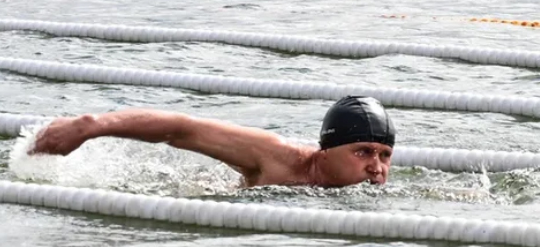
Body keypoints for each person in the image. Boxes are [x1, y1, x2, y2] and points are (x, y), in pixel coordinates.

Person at [30, 96, 396, 188]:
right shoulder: (277, 160)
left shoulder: (374, 191)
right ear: (326, 151)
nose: (376, 167)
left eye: (384, 155)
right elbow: (182, 128)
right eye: (362, 151)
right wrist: (93, 126)